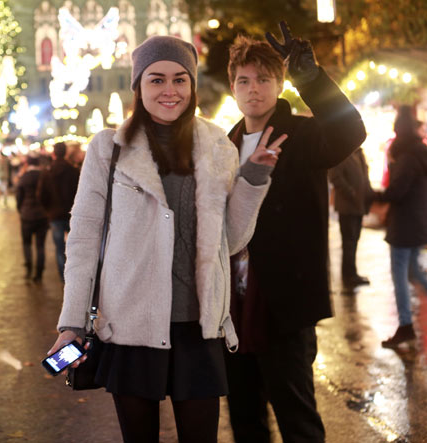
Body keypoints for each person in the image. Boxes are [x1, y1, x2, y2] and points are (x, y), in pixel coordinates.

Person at [49, 35, 283, 442]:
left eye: (180, 79)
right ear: (138, 86)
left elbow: (229, 242)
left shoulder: (217, 147)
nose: (169, 90)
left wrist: (253, 179)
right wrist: (71, 322)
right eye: (156, 79)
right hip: (129, 326)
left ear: (192, 85)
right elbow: (84, 240)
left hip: (198, 326)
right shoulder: (109, 148)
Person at [223, 22, 366, 443]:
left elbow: (350, 132)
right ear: (232, 87)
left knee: (297, 417)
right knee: (245, 418)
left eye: (263, 79)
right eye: (244, 80)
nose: (253, 89)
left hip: (285, 303)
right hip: (231, 304)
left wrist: (312, 79)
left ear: (279, 83)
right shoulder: (224, 144)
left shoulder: (301, 134)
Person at [376, 107, 427, 348]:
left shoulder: (407, 156)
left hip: (405, 225)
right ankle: (405, 325)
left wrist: (374, 195)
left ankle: (405, 325)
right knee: (413, 271)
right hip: (417, 221)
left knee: (400, 276)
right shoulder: (420, 152)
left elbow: (397, 191)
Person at [329, 148, 374, 289]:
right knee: (349, 242)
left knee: (354, 241)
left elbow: (364, 176)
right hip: (347, 206)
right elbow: (335, 177)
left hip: (359, 205)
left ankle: (352, 273)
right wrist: (351, 192)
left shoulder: (359, 153)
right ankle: (348, 276)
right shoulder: (342, 152)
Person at [38, 142, 80, 283]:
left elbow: (41, 195)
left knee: (60, 248)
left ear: (53, 154)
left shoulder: (47, 172)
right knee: (75, 246)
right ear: (66, 153)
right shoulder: (74, 171)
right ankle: (75, 274)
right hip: (72, 214)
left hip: (55, 215)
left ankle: (64, 278)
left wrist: (48, 210)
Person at [16, 154, 49, 282]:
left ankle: (29, 269)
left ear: (27, 164)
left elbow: (19, 196)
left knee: (27, 243)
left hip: (27, 215)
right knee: (40, 245)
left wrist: (20, 209)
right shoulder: (44, 176)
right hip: (42, 215)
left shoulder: (24, 177)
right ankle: (39, 273)